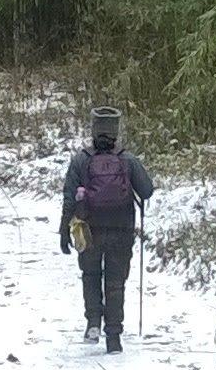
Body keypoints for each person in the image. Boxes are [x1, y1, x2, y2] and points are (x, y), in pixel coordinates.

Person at [58, 106, 155, 353]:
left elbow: (69, 197)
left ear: (93, 129)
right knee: (115, 282)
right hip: (122, 229)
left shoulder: (81, 160)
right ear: (116, 130)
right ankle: (113, 336)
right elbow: (146, 191)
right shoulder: (128, 159)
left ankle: (92, 322)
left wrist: (63, 231)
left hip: (88, 229)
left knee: (91, 275)